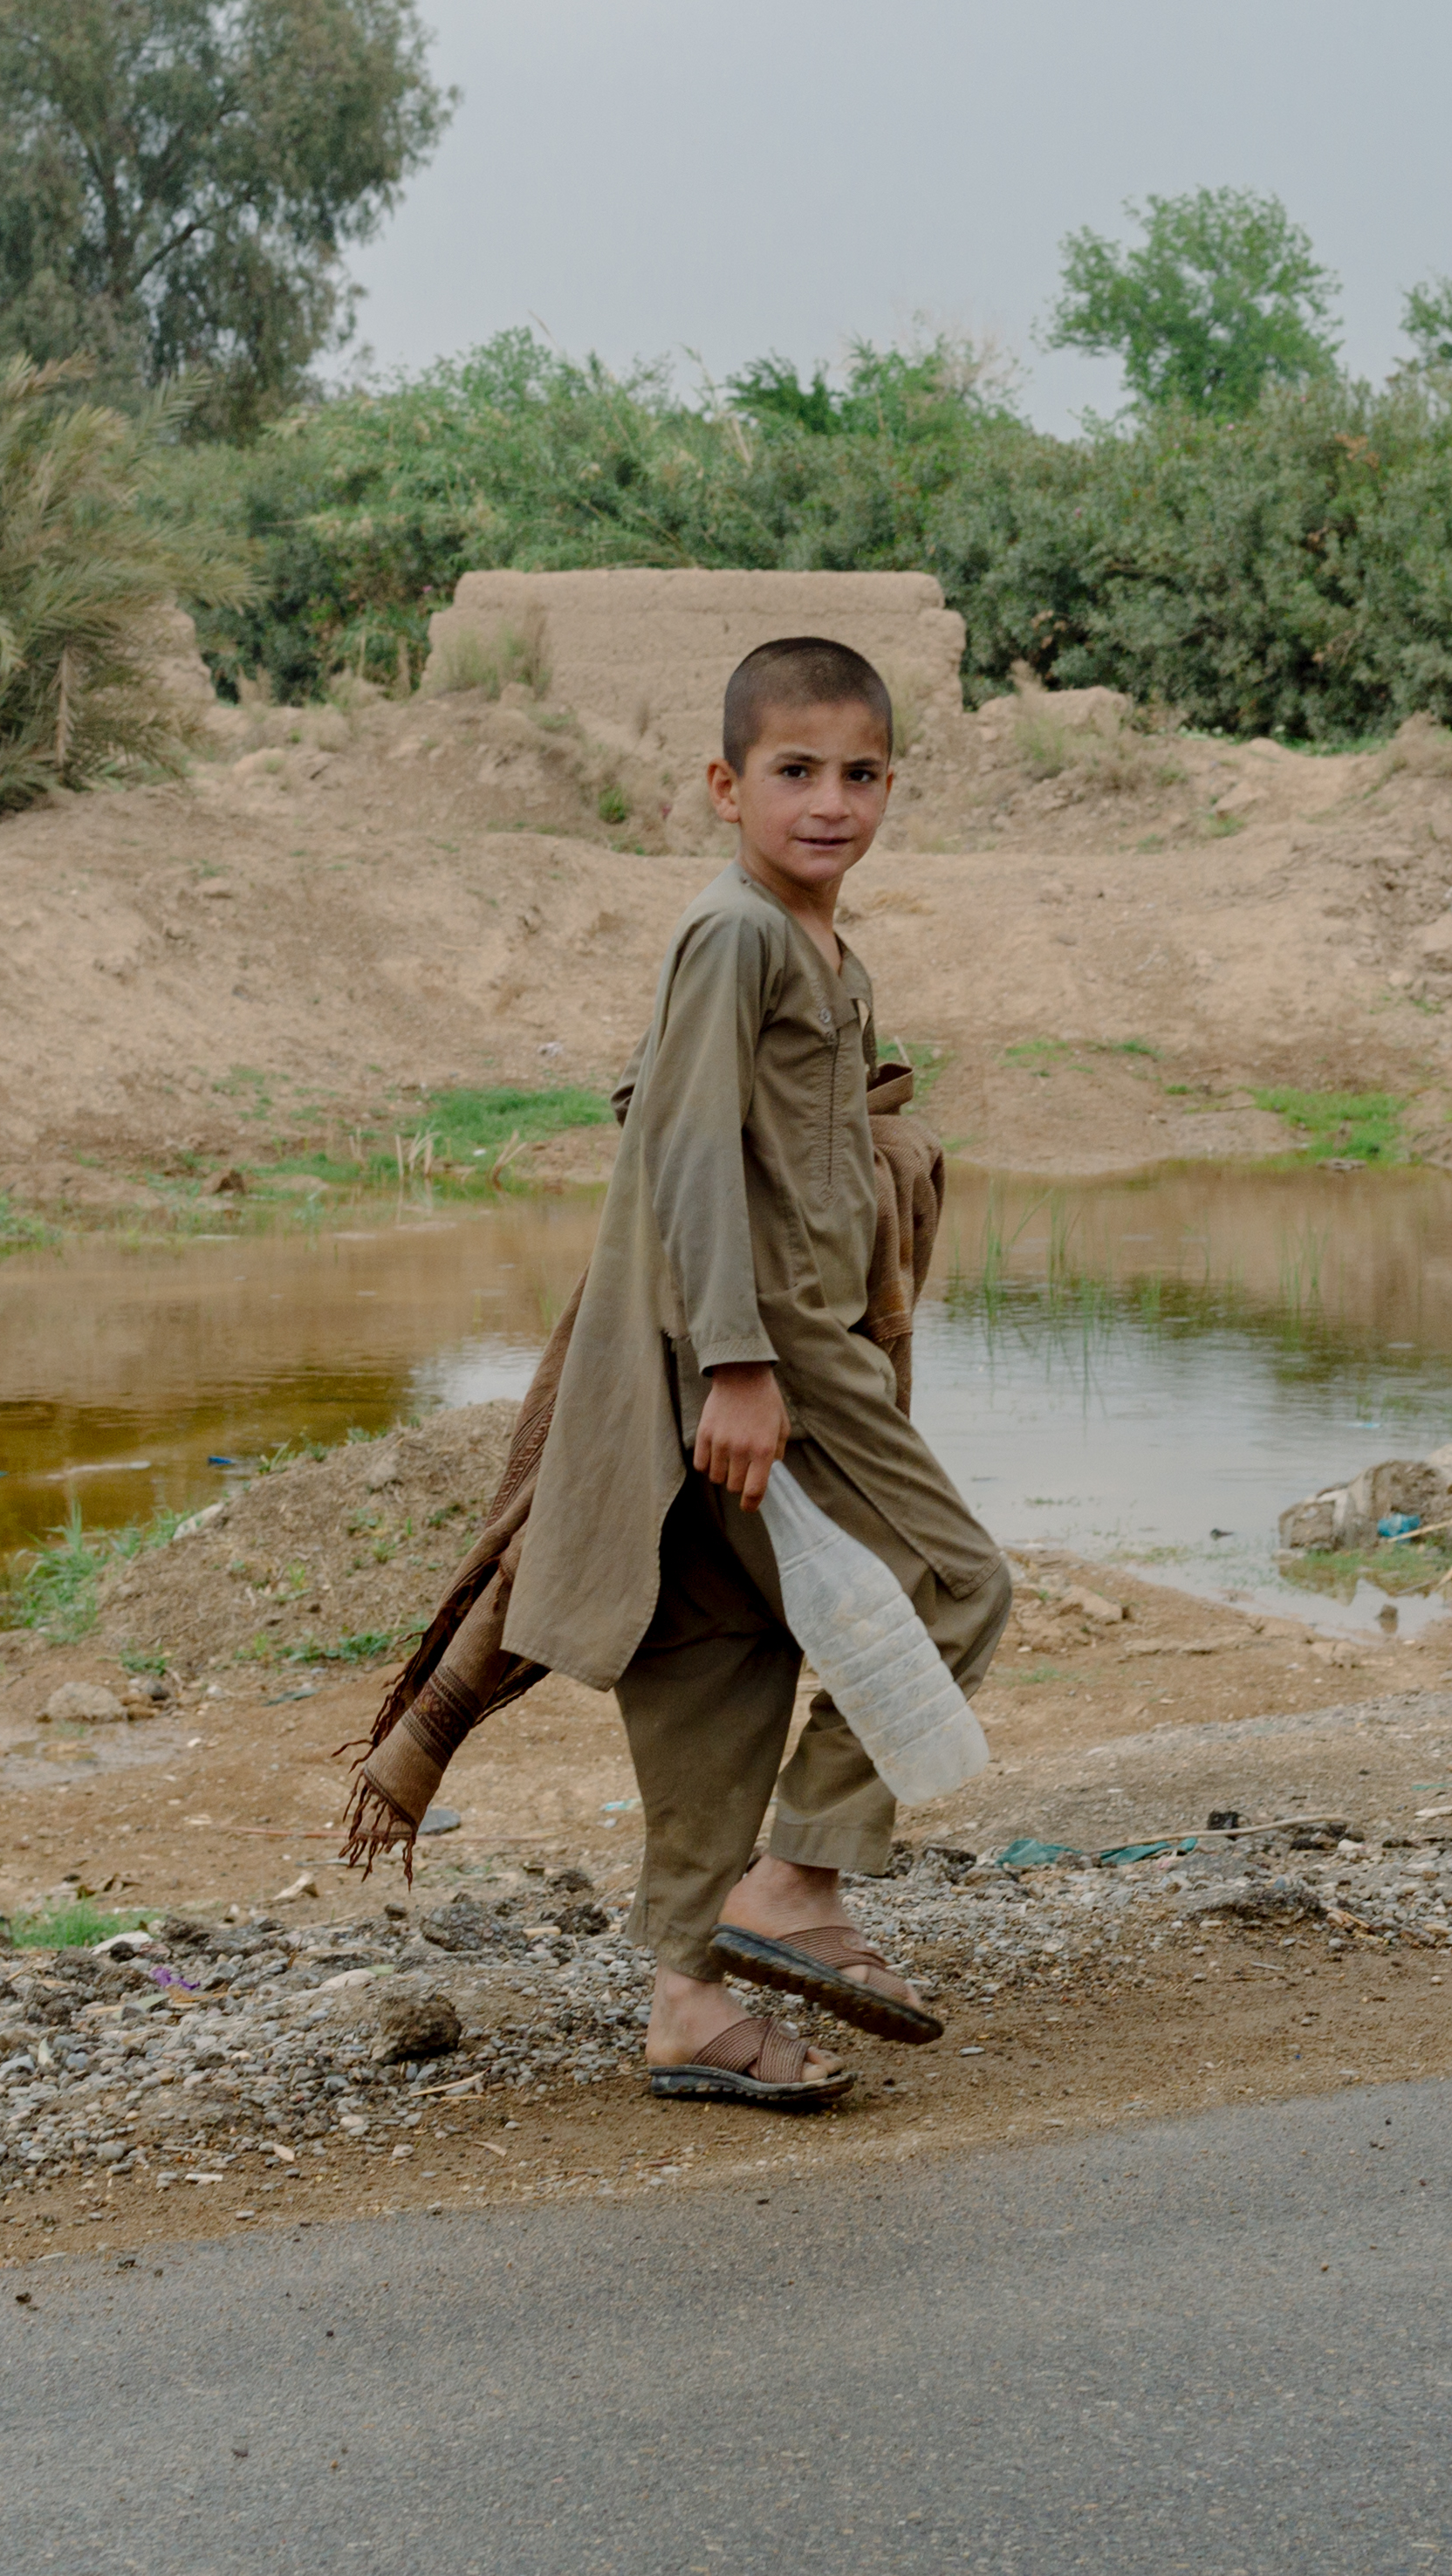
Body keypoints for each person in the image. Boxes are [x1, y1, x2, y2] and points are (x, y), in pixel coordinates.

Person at [479, 635, 1009, 2109]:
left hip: (788, 1347)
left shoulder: (821, 945)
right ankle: (794, 1879)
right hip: (761, 1350)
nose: (829, 801)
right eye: (794, 772)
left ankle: (688, 2006)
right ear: (725, 786)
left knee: (722, 1652)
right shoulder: (740, 934)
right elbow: (691, 1147)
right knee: (959, 1582)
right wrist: (738, 1365)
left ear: (891, 783)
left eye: (859, 773)